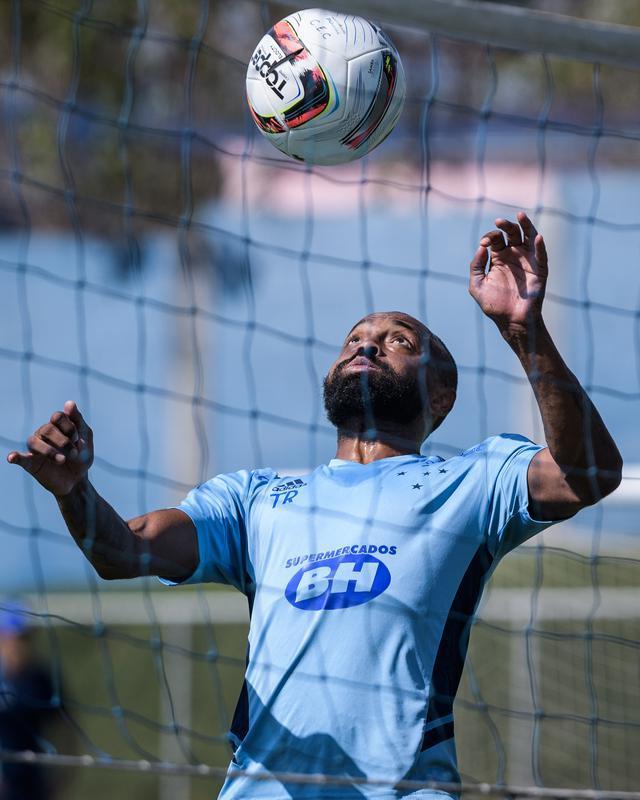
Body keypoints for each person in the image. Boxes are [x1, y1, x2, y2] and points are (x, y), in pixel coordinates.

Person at [7, 213, 622, 798]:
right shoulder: (255, 499)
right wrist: (73, 491)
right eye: (355, 338)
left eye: (397, 340)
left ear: (440, 392)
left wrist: (525, 332)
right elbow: (123, 552)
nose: (369, 345)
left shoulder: (471, 481)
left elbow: (586, 474)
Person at [0, 602, 59, 800]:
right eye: (17, 637)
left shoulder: (38, 679)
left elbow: (62, 729)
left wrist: (60, 779)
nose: (21, 645)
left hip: (31, 784)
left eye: (26, 637)